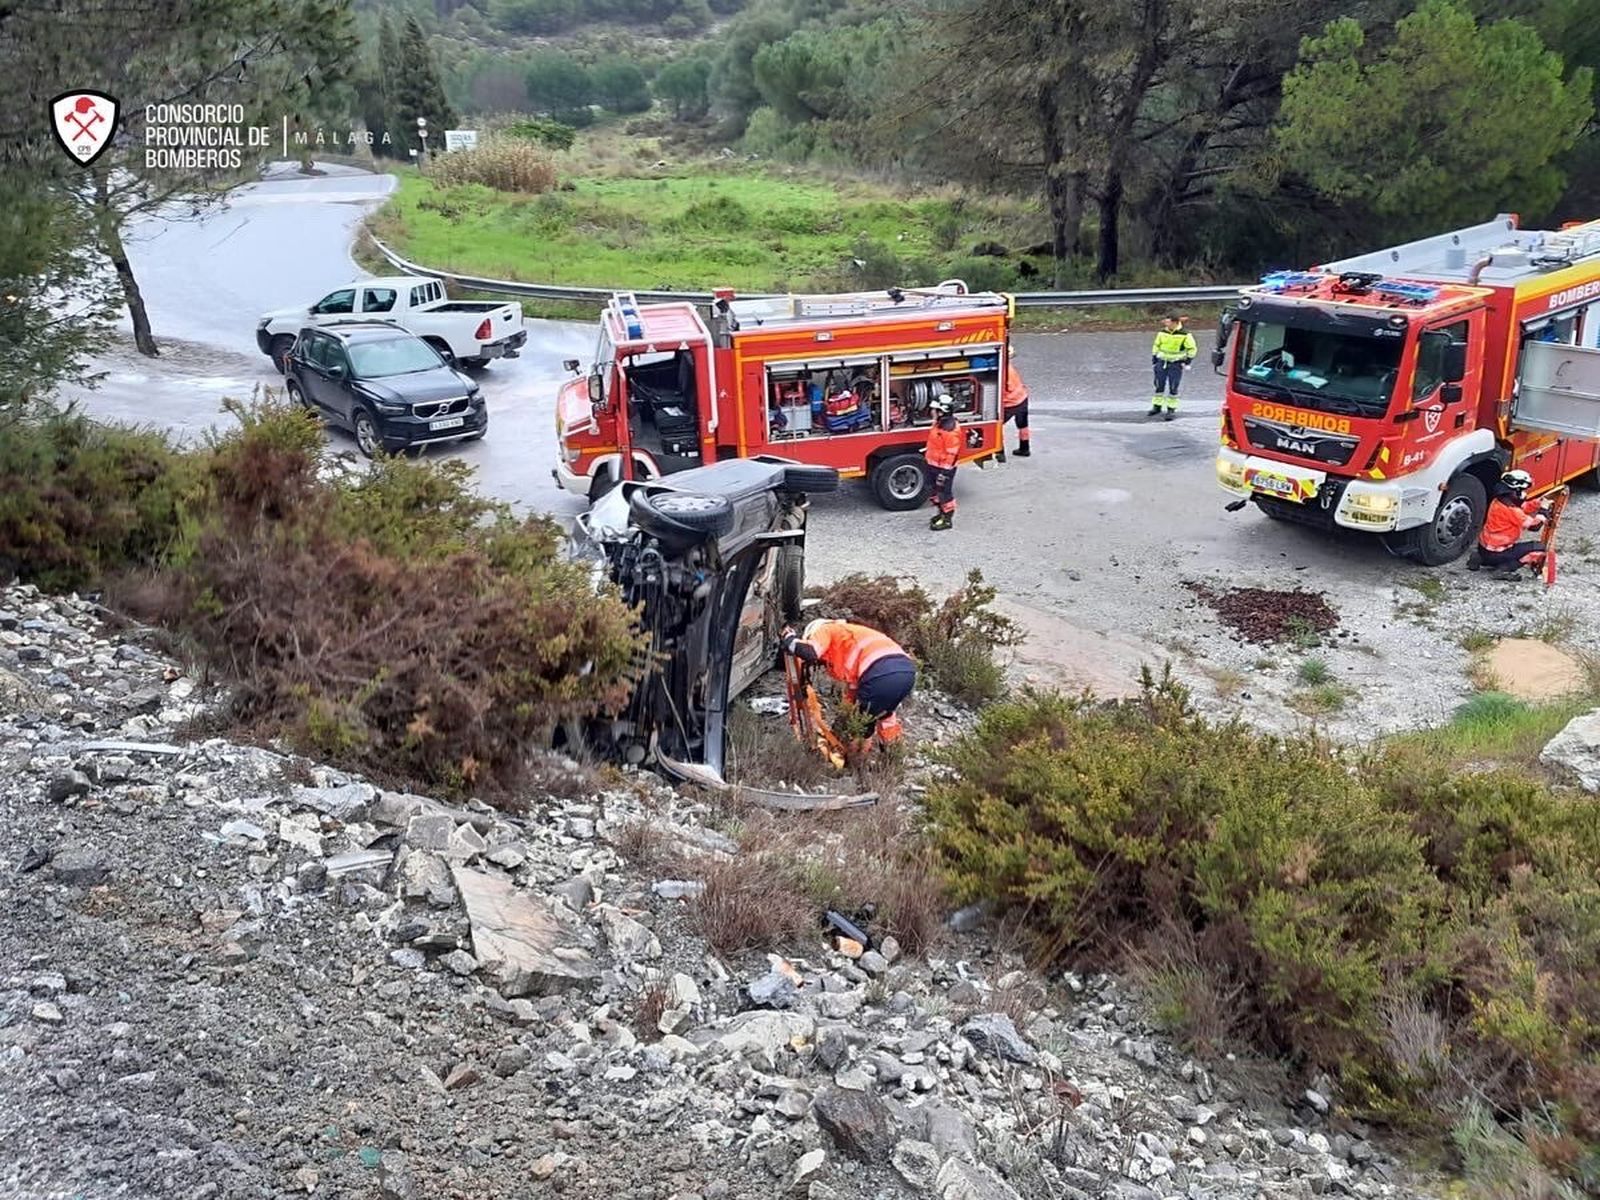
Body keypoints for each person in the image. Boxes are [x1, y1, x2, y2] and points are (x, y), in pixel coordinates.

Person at [781, 619, 916, 743]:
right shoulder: (851, 637)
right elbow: (852, 696)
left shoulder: (826, 629)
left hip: (879, 673)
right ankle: (890, 749)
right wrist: (843, 717)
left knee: (859, 727)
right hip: (906, 672)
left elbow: (810, 652)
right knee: (885, 713)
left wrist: (789, 639)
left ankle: (856, 758)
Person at [1473, 469, 1549, 574]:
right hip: (1497, 553)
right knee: (1539, 548)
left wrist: (1537, 503)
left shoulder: (1498, 501)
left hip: (1483, 548)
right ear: (1516, 490)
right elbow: (1535, 527)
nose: (1524, 493)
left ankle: (1479, 558)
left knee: (1492, 552)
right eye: (1523, 490)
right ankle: (1503, 569)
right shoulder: (1512, 510)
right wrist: (1543, 511)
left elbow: (1523, 506)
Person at [923, 393, 961, 531]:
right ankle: (941, 514)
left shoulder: (950, 431)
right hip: (933, 465)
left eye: (934, 409)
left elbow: (952, 454)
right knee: (935, 492)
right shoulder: (939, 424)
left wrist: (944, 473)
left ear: (942, 411)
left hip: (944, 469)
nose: (932, 411)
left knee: (944, 494)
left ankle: (947, 520)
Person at [1150, 314, 1197, 420]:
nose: (1166, 324)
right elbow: (1156, 345)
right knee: (1158, 385)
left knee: (1173, 386)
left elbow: (1192, 348)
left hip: (1176, 363)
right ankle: (1157, 406)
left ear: (1175, 323)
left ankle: (1171, 409)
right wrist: (1154, 358)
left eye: (1168, 322)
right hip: (1162, 362)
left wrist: (1187, 361)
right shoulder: (1162, 333)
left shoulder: (1185, 335)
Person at [1002, 346, 1031, 457]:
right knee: (1023, 425)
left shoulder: (1001, 370)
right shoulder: (1008, 366)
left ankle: (999, 452)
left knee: (997, 426)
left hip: (1009, 403)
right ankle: (1025, 448)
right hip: (1022, 398)